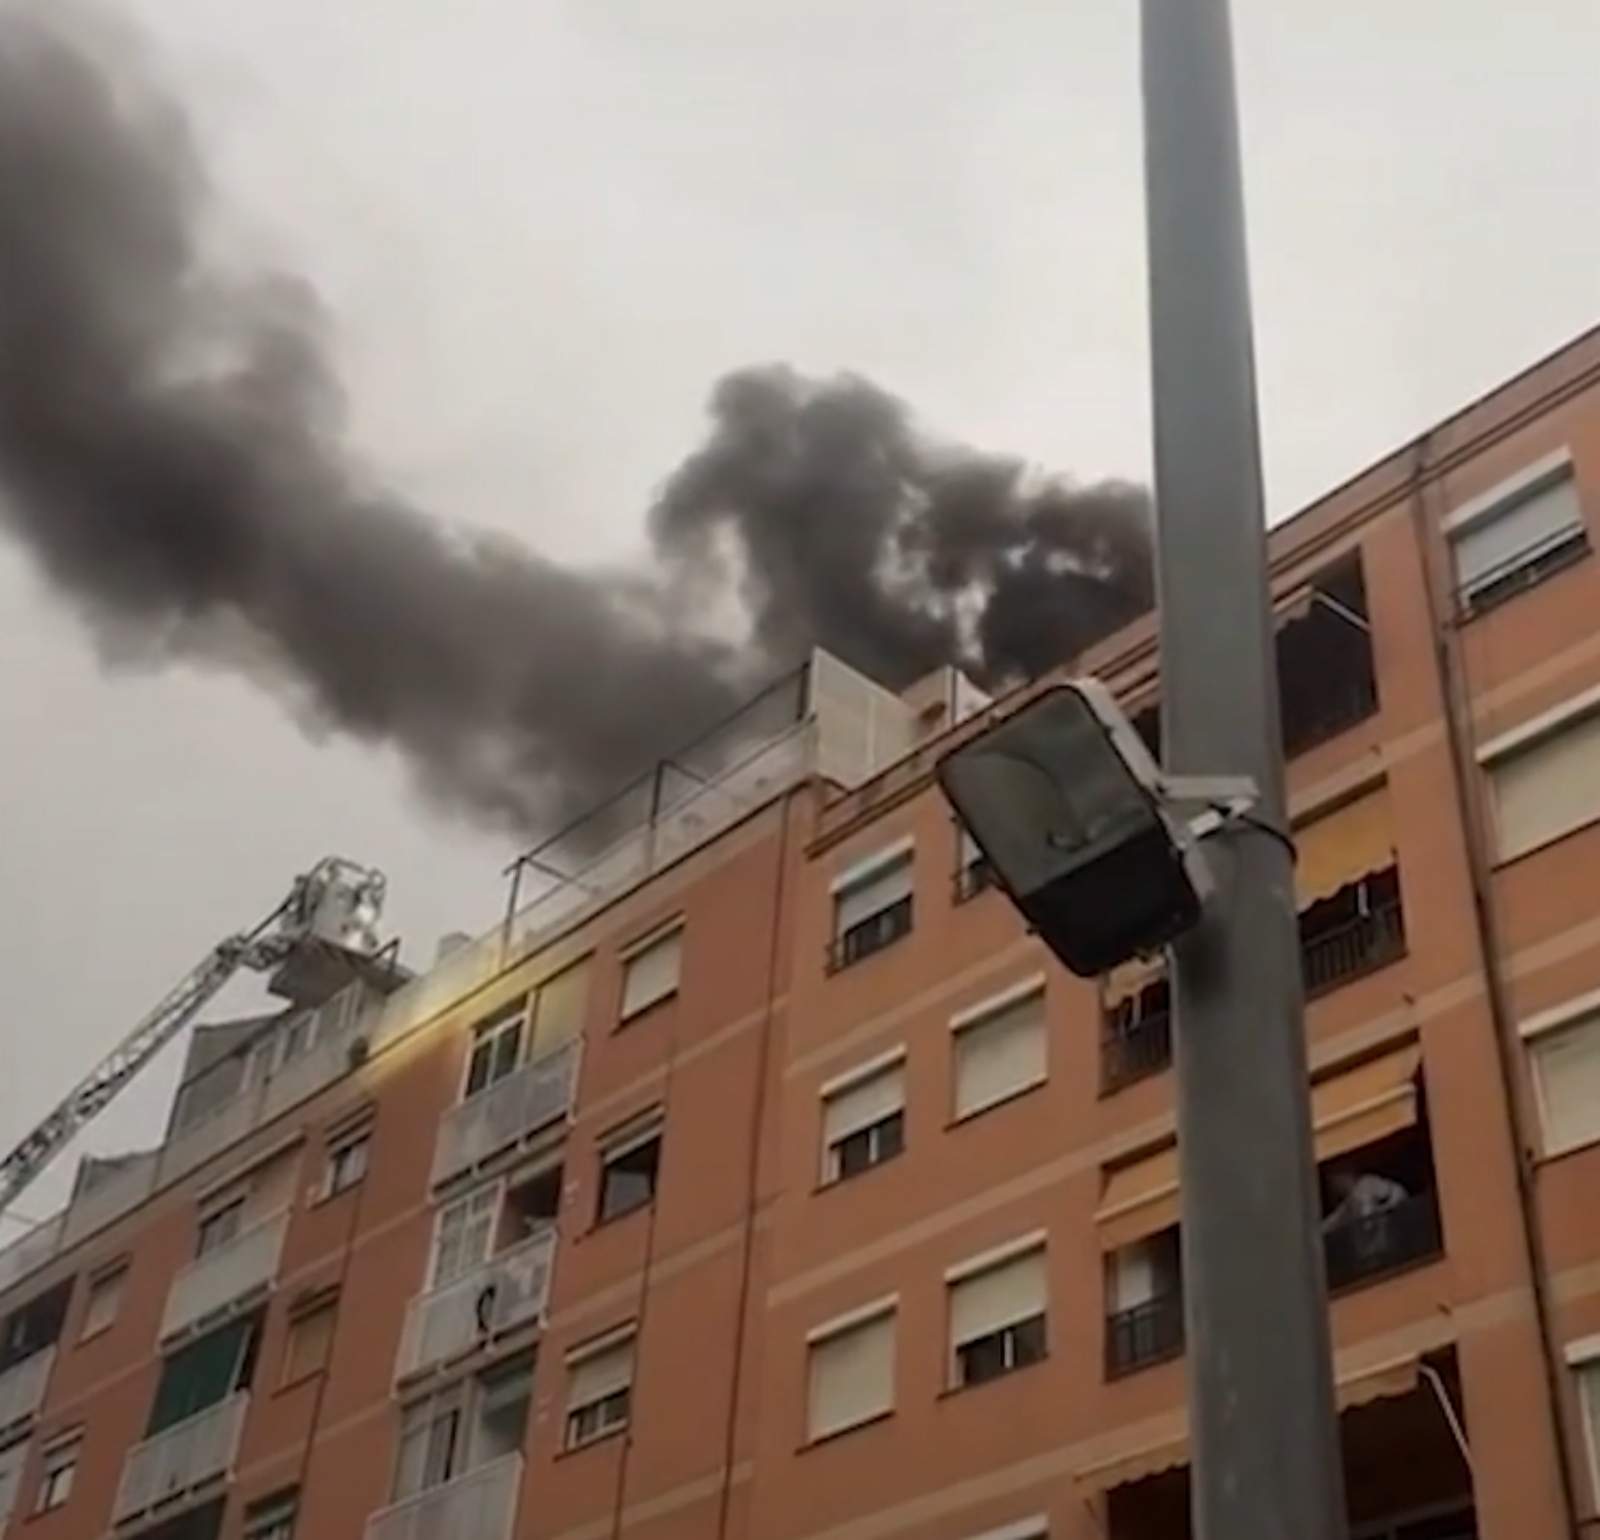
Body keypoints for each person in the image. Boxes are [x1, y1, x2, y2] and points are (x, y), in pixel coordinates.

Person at [1322, 1170, 1408, 1266]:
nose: (1333, 1184)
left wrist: (1384, 1209)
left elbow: (1399, 1192)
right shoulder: (1348, 1205)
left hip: (1385, 1249)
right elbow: (1330, 1224)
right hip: (1367, 1258)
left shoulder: (1367, 1183)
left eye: (1335, 1178)